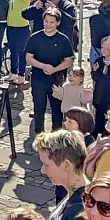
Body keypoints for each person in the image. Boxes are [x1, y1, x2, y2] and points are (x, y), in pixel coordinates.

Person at [25, 9, 76, 137]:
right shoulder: (35, 37)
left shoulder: (63, 39)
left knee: (56, 107)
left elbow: (69, 60)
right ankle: (39, 134)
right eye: (46, 21)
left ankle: (56, 134)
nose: (48, 24)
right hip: (38, 78)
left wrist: (55, 69)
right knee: (39, 106)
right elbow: (29, 57)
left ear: (57, 23)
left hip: (56, 78)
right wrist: (43, 66)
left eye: (51, 22)